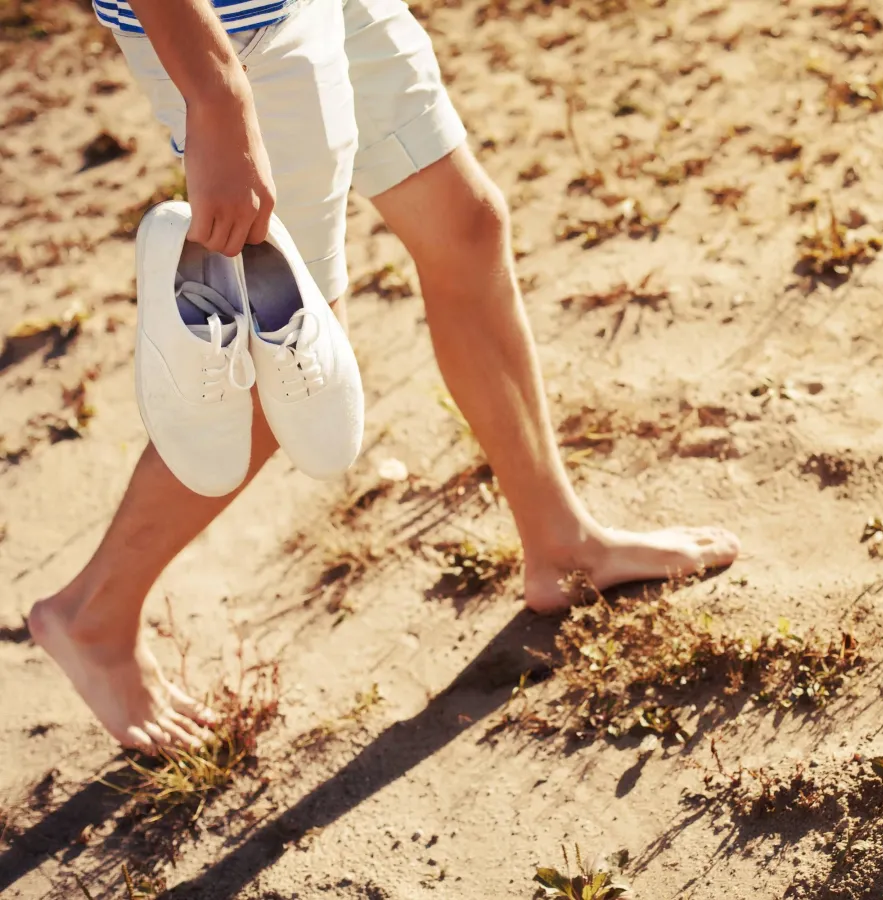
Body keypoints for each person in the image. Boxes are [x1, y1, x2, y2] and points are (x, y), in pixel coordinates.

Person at [27, 0, 740, 754]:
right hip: (236, 30)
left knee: (463, 223)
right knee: (291, 365)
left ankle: (562, 545)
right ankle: (94, 614)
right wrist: (217, 92)